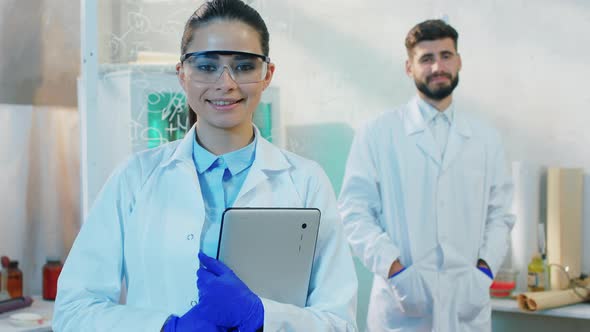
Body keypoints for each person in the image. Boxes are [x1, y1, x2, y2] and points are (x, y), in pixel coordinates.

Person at [53, 0, 358, 331]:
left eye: (243, 66)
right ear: (182, 74)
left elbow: (340, 322)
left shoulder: (306, 181)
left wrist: (262, 317)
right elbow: (73, 311)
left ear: (267, 74)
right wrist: (168, 328)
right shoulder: (135, 178)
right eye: (206, 66)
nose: (225, 83)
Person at [338, 19, 515, 331]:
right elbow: (354, 213)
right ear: (409, 68)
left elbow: (499, 215)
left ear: (458, 61)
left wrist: (483, 272)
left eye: (446, 56)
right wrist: (395, 271)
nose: (438, 67)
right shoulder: (377, 133)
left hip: (467, 306)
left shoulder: (486, 138)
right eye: (426, 59)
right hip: (401, 307)